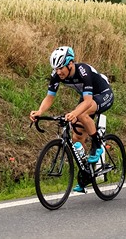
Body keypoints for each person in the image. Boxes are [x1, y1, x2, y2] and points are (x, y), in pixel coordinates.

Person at [30, 46, 114, 192]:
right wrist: (40, 111)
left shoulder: (83, 71)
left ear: (70, 64)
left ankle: (97, 144)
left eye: (61, 68)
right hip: (87, 96)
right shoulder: (56, 74)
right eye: (55, 69)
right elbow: (50, 97)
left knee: (80, 114)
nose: (58, 72)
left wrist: (74, 112)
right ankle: (86, 175)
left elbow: (87, 102)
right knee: (77, 137)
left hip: (103, 94)